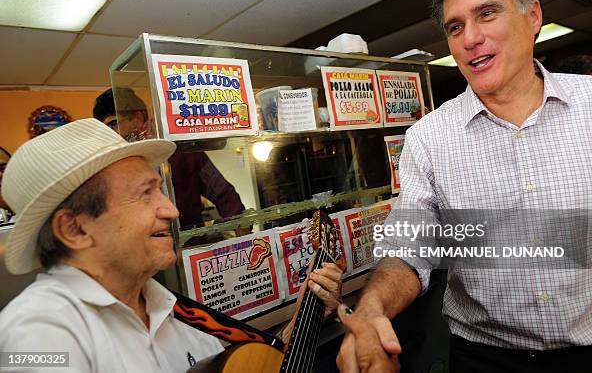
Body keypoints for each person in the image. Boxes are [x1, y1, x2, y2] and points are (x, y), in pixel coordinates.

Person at [336, 0, 592, 372]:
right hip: (485, 358)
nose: (469, 39)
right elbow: (407, 246)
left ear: (532, 15)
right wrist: (370, 310)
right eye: (455, 26)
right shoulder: (428, 137)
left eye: (487, 13)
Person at [0, 119, 343, 372]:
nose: (171, 210)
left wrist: (302, 321)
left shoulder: (172, 309)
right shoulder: (35, 335)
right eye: (145, 194)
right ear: (75, 229)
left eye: (160, 190)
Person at [94, 88, 246, 230]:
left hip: (189, 247)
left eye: (114, 124)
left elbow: (224, 193)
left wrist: (241, 231)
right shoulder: (112, 165)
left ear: (138, 118)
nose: (111, 134)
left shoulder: (181, 152)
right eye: (106, 129)